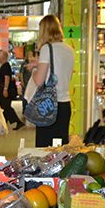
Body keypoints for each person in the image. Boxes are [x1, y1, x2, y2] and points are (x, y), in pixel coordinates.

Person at [30, 15, 75, 147]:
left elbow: (39, 81)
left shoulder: (46, 48)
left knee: (45, 148)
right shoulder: (69, 49)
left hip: (48, 105)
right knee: (60, 148)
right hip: (65, 104)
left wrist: (34, 71)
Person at [0, 50, 24, 130]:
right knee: (6, 106)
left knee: (6, 106)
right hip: (3, 89)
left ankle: (17, 121)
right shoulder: (5, 65)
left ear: (2, 57)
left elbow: (6, 78)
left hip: (4, 89)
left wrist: (5, 89)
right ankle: (5, 122)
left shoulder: (5, 66)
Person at [20, 50, 35, 116]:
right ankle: (24, 110)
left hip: (32, 83)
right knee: (25, 96)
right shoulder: (24, 63)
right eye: (29, 55)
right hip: (26, 82)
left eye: (31, 55)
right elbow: (21, 73)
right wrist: (22, 81)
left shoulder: (34, 63)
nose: (30, 56)